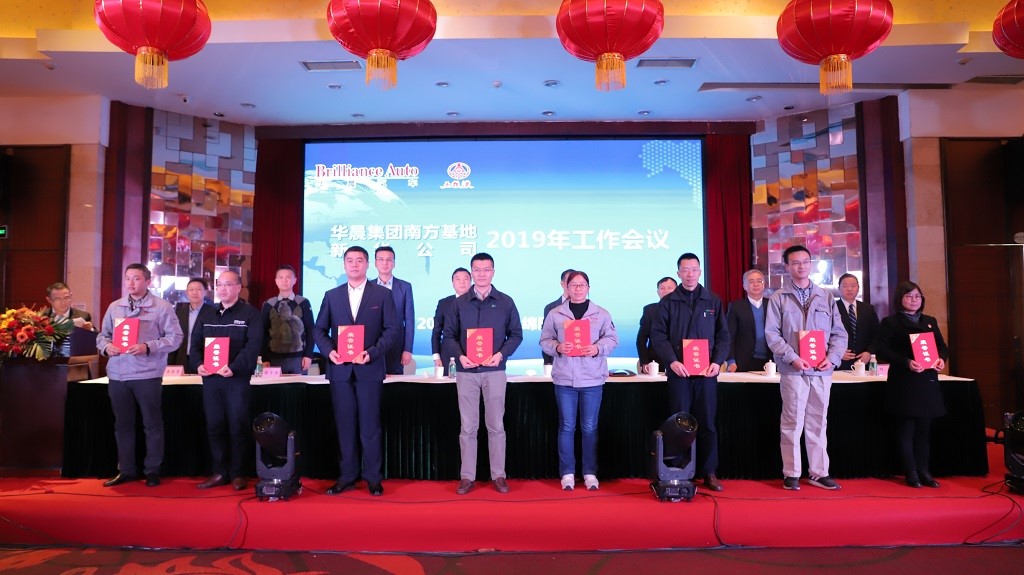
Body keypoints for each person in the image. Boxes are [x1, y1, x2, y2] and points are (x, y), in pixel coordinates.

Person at [313, 246, 399, 496]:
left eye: (359, 260)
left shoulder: (382, 294)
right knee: (345, 425)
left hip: (369, 368)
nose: (354, 264)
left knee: (370, 425)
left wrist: (372, 352)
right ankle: (347, 476)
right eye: (349, 260)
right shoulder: (332, 295)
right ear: (344, 265)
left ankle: (373, 478)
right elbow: (319, 329)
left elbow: (392, 329)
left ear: (367, 264)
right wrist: (329, 351)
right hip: (340, 370)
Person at [765, 245, 848, 491]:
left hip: (821, 370)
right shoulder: (779, 297)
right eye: (795, 263)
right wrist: (792, 357)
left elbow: (839, 334)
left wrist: (833, 358)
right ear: (787, 267)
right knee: (792, 422)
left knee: (818, 422)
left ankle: (819, 473)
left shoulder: (826, 296)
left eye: (805, 261)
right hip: (793, 370)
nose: (801, 266)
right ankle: (791, 473)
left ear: (811, 264)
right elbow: (772, 334)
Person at [443, 252, 523, 495]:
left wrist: (501, 355)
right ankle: (467, 476)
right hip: (466, 372)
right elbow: (449, 335)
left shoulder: (506, 302)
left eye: (486, 269)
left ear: (493, 272)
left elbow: (516, 335)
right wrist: (460, 356)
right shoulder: (459, 303)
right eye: (477, 270)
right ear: (471, 272)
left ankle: (498, 474)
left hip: (494, 371)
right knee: (468, 427)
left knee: (496, 425)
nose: (481, 274)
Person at [96, 263, 183, 488]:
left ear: (148, 281)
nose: (131, 283)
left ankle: (152, 470)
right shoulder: (115, 307)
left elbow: (175, 338)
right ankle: (126, 470)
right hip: (118, 373)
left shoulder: (161, 307)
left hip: (147, 373)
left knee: (152, 424)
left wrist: (148, 346)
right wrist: (107, 347)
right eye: (127, 278)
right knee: (122, 424)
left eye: (136, 278)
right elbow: (102, 336)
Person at [650, 253, 730, 492]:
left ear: (700, 272)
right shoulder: (668, 302)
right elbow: (658, 336)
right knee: (679, 423)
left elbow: (723, 336)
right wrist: (672, 361)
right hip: (680, 373)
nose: (690, 274)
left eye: (694, 269)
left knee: (708, 422)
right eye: (685, 270)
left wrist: (717, 362)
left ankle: (709, 472)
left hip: (706, 374)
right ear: (678, 273)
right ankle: (678, 470)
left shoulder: (712, 300)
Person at [539, 270, 618, 491]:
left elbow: (612, 339)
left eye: (582, 285)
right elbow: (544, 340)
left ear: (588, 288)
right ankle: (567, 473)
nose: (578, 289)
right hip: (565, 379)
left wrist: (597, 348)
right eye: (573, 285)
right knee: (566, 426)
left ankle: (590, 472)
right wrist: (557, 347)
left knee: (590, 427)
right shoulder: (555, 314)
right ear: (566, 287)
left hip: (592, 379)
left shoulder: (601, 314)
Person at [190, 270, 263, 491]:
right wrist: (198, 364)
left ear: (239, 287)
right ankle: (219, 471)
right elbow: (195, 344)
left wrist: (234, 367)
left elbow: (253, 346)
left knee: (237, 425)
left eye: (228, 284)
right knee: (214, 425)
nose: (223, 289)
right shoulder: (207, 313)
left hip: (236, 380)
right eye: (220, 284)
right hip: (211, 380)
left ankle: (238, 473)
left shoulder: (250, 314)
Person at [874, 281, 948, 488]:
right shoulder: (890, 322)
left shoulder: (930, 321)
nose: (914, 300)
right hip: (904, 382)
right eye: (909, 296)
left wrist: (941, 359)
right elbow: (882, 350)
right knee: (906, 428)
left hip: (927, 381)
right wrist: (906, 362)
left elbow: (942, 347)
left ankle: (924, 470)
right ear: (900, 299)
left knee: (924, 428)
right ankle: (911, 472)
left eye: (917, 296)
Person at [259, 265, 315, 374]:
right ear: (276, 281)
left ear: (295, 280)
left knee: (298, 385)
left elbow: (311, 330)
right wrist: (264, 358)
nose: (284, 280)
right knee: (275, 386)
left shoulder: (303, 302)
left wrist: (308, 355)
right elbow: (263, 333)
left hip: (299, 358)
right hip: (273, 359)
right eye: (281, 277)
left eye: (288, 277)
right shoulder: (269, 304)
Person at [373, 246, 414, 375]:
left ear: (394, 263)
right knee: (372, 379)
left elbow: (409, 320)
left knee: (395, 381)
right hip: (373, 344)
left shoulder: (405, 287)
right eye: (381, 259)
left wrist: (407, 349)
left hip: (397, 344)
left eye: (389, 260)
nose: (385, 263)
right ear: (375, 263)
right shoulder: (368, 286)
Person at [725, 269, 771, 372]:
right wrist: (731, 361)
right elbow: (729, 337)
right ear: (744, 286)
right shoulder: (736, 307)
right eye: (751, 282)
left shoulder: (772, 305)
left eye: (759, 281)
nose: (756, 284)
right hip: (743, 362)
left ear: (763, 284)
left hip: (771, 361)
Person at [431, 267, 472, 375]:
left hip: (472, 356)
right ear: (452, 283)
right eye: (458, 279)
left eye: (465, 278)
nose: (462, 282)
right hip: (448, 356)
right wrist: (436, 357)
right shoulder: (444, 303)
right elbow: (436, 332)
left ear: (471, 281)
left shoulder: (479, 302)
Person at [835, 273, 880, 371]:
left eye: (853, 285)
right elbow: (825, 335)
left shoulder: (868, 309)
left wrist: (869, 352)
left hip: (864, 361)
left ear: (858, 288)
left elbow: (877, 334)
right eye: (845, 286)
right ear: (839, 289)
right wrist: (836, 353)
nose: (849, 289)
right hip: (839, 363)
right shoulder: (832, 308)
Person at [170, 278, 214, 371]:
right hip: (181, 360)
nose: (194, 293)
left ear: (205, 292)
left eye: (198, 289)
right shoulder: (179, 312)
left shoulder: (213, 313)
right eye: (191, 289)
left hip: (203, 361)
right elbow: (174, 337)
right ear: (187, 292)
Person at [637, 276, 678, 373]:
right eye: (662, 288)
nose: (666, 291)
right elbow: (641, 339)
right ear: (658, 292)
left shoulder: (685, 310)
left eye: (669, 288)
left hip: (679, 361)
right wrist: (644, 362)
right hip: (655, 363)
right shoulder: (650, 310)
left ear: (677, 291)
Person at [541, 269, 575, 366]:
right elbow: (547, 338)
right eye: (569, 282)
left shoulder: (590, 308)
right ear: (562, 284)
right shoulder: (551, 308)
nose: (573, 286)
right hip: (558, 362)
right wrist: (548, 363)